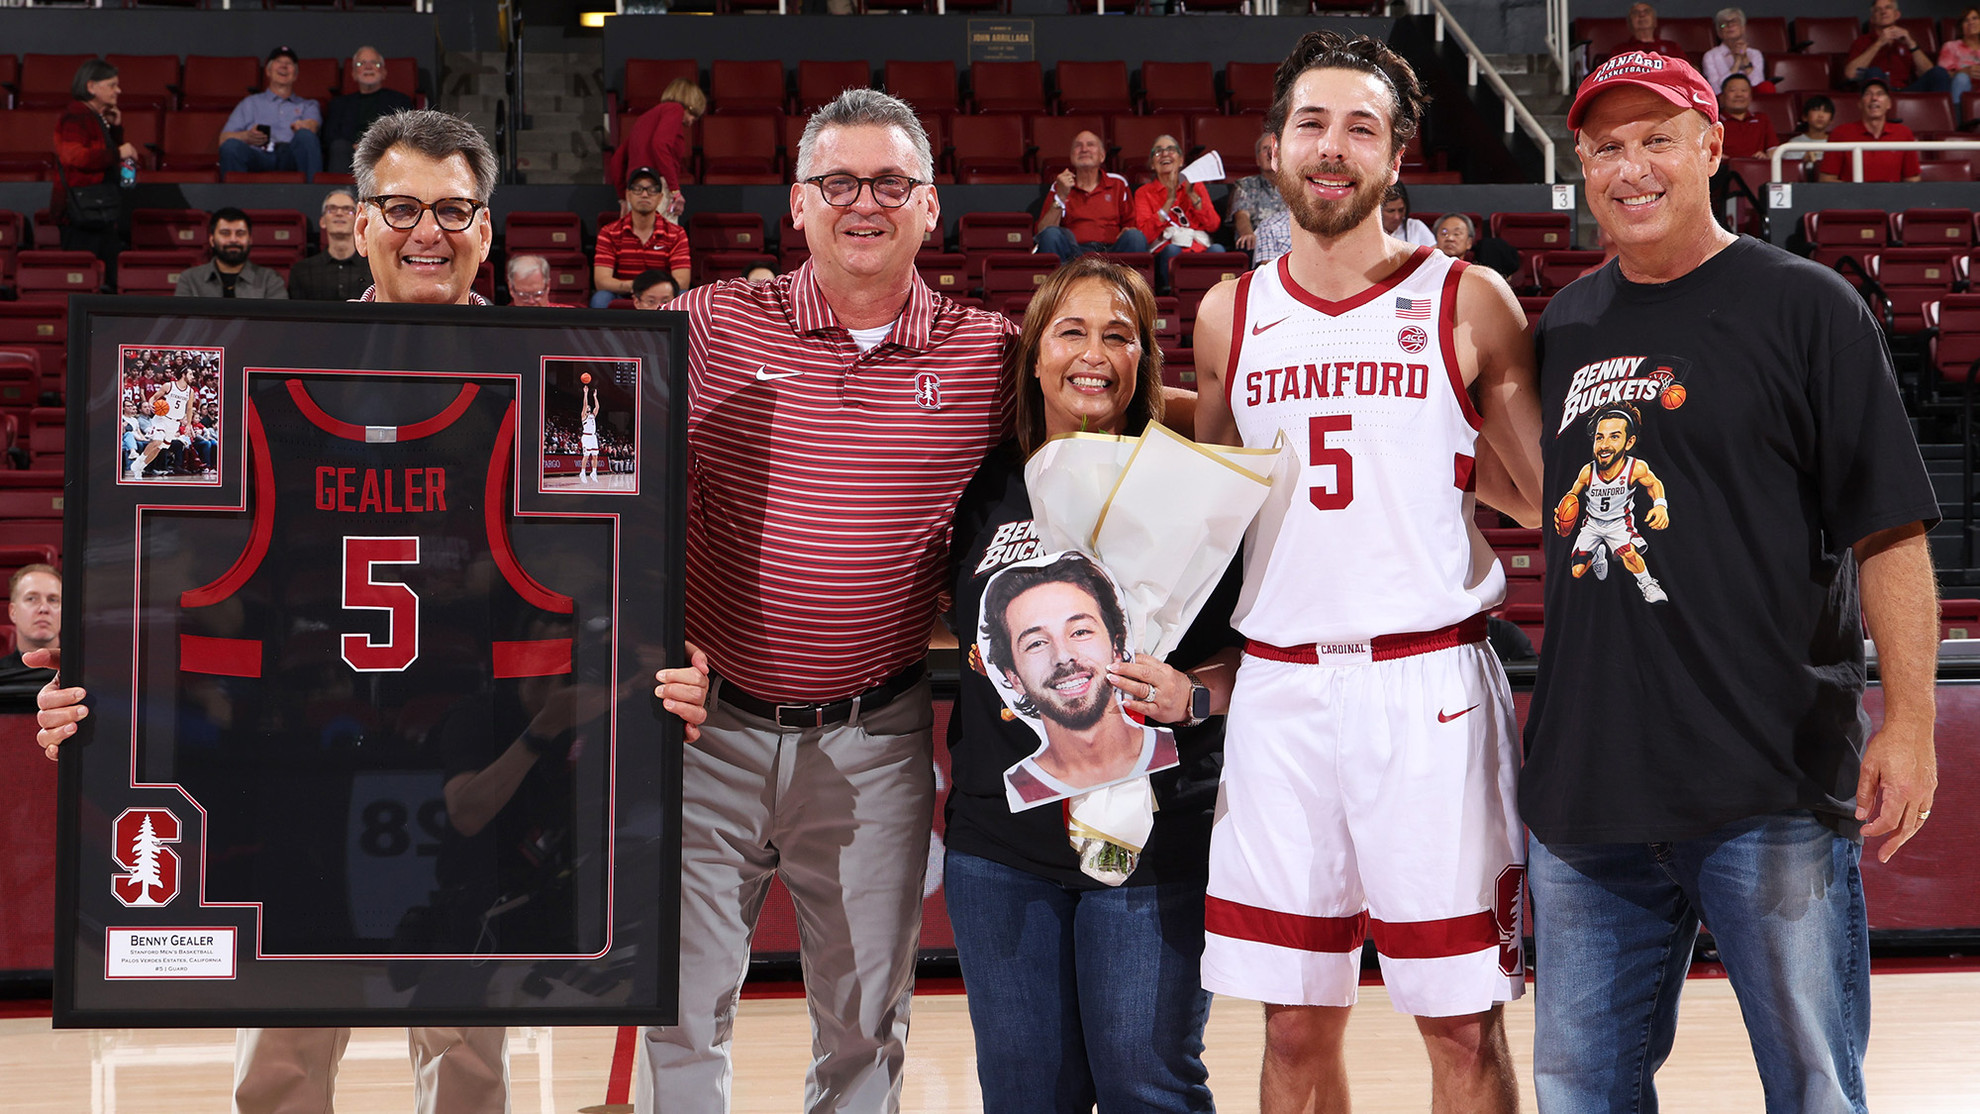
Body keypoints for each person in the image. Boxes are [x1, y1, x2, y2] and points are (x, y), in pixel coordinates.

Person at [32, 108, 532, 1114]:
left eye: (452, 208)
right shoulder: (248, 358)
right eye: (400, 207)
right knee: (286, 1056)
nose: (426, 230)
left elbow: (612, 577)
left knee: (473, 1058)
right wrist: (86, 691)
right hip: (297, 755)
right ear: (352, 222)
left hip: (469, 757)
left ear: (487, 228)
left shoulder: (548, 378)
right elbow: (135, 554)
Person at [1526, 50, 1941, 1113]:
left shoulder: (1807, 306)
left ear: (1713, 146)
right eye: (1606, 146)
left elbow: (1889, 533)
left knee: (1811, 1084)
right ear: (1580, 163)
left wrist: (1911, 724)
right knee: (1579, 1090)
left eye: (1658, 138)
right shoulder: (1564, 326)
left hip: (1767, 781)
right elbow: (1533, 493)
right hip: (1586, 795)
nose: (1632, 168)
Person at [634, 87, 1015, 1114]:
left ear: (931, 207)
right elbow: (587, 479)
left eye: (891, 181)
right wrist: (644, 636)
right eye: (839, 181)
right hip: (705, 732)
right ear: (797, 204)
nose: (865, 202)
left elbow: (1119, 398)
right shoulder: (704, 324)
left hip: (873, 730)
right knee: (680, 1006)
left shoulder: (990, 355)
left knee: (866, 1019)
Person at [1191, 30, 1544, 1114]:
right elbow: (1209, 510)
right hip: (1281, 689)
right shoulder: (1226, 313)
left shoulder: (1468, 297)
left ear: (1399, 157)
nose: (1333, 148)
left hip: (1426, 684)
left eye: (1361, 128)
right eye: (1312, 123)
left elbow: (1538, 499)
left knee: (1457, 1020)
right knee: (1293, 1022)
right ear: (1272, 148)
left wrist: (1438, 438)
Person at [945, 255, 1240, 1113]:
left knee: (1148, 1085)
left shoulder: (1193, 484)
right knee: (1026, 1093)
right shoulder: (987, 478)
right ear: (1033, 352)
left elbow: (1244, 654)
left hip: (1157, 839)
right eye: (1071, 330)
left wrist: (1193, 696)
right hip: (1003, 844)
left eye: (1120, 335)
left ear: (1146, 358)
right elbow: (945, 611)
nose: (1095, 354)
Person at [984, 553, 1182, 805]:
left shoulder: (1165, 750)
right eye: (1036, 643)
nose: (1063, 656)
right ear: (1014, 677)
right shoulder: (1018, 786)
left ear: (1117, 645)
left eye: (1080, 631)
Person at [52, 59, 140, 276]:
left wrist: (115, 131)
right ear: (91, 87)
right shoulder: (76, 115)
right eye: (111, 85)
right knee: (84, 281)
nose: (118, 90)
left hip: (99, 213)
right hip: (81, 216)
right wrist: (119, 152)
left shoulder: (95, 117)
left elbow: (107, 161)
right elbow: (77, 157)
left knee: (108, 279)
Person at [1034, 130, 1147, 263]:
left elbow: (1131, 226)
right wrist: (1061, 196)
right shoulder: (1060, 185)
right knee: (1051, 234)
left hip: (1111, 253)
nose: (1084, 149)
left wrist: (1128, 231)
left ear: (1102, 156)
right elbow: (1043, 231)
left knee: (1135, 236)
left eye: (1090, 145)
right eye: (1078, 145)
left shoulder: (1118, 183)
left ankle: (1132, 284)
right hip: (1073, 255)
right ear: (1071, 157)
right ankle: (1059, 283)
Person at [1132, 134, 1224, 293]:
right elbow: (1144, 235)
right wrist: (1169, 200)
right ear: (1152, 165)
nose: (1165, 154)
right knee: (1172, 251)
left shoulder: (1196, 187)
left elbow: (1213, 225)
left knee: (1218, 250)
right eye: (1158, 151)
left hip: (1198, 249)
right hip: (1166, 251)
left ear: (1181, 161)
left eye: (1171, 150)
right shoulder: (1144, 192)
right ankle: (1171, 297)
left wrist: (1192, 195)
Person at [219, 46, 323, 182]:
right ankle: (233, 201)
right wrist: (246, 136)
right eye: (279, 61)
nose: (284, 66)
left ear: (296, 75)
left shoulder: (308, 105)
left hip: (290, 154)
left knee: (306, 136)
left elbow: (312, 126)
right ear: (268, 71)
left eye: (289, 64)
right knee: (230, 146)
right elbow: (223, 139)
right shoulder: (250, 103)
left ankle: (314, 198)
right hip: (258, 155)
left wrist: (304, 126)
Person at [591, 167, 691, 309]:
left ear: (660, 197)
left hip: (661, 294)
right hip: (625, 293)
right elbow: (602, 281)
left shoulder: (676, 233)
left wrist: (653, 292)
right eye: (637, 189)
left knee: (683, 295)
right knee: (600, 298)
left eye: (652, 190)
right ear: (628, 195)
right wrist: (641, 287)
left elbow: (682, 281)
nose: (644, 194)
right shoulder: (609, 232)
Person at [323, 46, 413, 175]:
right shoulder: (339, 104)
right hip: (349, 152)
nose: (368, 67)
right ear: (353, 73)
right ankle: (340, 193)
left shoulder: (400, 101)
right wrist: (356, 146)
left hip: (383, 151)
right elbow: (330, 135)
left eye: (374, 63)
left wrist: (370, 145)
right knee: (338, 147)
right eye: (361, 63)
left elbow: (404, 134)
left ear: (384, 72)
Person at [608, 77, 706, 195]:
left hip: (635, 190)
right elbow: (660, 145)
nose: (692, 122)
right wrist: (674, 189)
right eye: (694, 115)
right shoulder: (675, 109)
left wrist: (622, 197)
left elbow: (617, 159)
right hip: (656, 187)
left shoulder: (644, 119)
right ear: (690, 104)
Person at [1817, 79, 1923, 182]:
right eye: (1868, 94)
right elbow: (1827, 179)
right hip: (1852, 199)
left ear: (1889, 104)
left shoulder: (1903, 133)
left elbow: (1912, 179)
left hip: (1891, 198)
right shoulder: (1840, 133)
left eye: (1880, 94)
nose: (1874, 98)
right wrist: (1860, 193)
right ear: (1860, 103)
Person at [175, 208, 288, 299]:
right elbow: (184, 324)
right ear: (212, 240)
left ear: (250, 240)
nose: (233, 240)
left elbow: (277, 325)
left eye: (240, 233)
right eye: (225, 233)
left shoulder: (269, 280)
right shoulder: (190, 279)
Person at [1845, 0, 1952, 93]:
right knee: (1875, 71)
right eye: (1878, 9)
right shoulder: (1862, 41)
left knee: (1939, 72)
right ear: (1872, 19)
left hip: (1905, 91)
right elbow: (1850, 74)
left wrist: (1911, 44)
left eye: (1888, 8)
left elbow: (1928, 72)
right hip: (1877, 94)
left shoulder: (1905, 42)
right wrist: (1878, 43)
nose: (1883, 12)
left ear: (1897, 14)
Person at [286, 189, 370, 301]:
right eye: (332, 209)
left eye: (347, 210)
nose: (339, 213)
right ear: (322, 222)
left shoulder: (372, 269)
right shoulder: (302, 271)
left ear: (357, 220)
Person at [0, 565, 59, 714]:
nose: (43, 608)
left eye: (53, 600)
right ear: (13, 612)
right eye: (31, 598)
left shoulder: (85, 674)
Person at [1229, 130, 1289, 259]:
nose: (1270, 153)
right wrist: (1247, 234)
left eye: (1274, 149)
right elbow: (1241, 215)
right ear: (1257, 160)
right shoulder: (1246, 184)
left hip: (1289, 241)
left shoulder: (1295, 185)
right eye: (1265, 149)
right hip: (1259, 243)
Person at [1702, 8, 1773, 94]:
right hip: (1725, 99)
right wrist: (1736, 63)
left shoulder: (1754, 54)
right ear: (1719, 33)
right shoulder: (1710, 56)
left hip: (1751, 97)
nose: (1730, 25)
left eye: (1734, 22)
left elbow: (1757, 84)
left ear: (1743, 28)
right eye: (1724, 24)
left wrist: (1744, 58)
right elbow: (1716, 89)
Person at [1433, 212, 1521, 277]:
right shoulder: (1428, 268)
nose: (1450, 238)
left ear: (1469, 242)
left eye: (1456, 234)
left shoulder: (1478, 271)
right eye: (1444, 234)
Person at [1599, 3, 1688, 67]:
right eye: (1635, 13)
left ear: (1655, 22)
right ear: (1629, 24)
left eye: (1647, 11)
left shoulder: (1672, 47)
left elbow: (1690, 70)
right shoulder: (1619, 51)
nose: (1642, 15)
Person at [1772, 92, 1835, 174]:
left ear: (1831, 120)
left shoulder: (1836, 142)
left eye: (1826, 111)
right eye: (1816, 110)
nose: (1821, 115)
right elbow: (1788, 172)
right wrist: (1804, 160)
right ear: (1804, 117)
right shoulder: (1793, 144)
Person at [1716, 74, 1776, 158]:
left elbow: (1773, 151)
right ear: (1721, 97)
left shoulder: (1762, 119)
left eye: (1744, 90)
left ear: (1751, 97)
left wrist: (1766, 158)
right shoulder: (1714, 122)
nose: (1739, 94)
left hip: (1757, 168)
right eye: (1732, 90)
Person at [1939, 7, 1980, 111]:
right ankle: (1958, 120)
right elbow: (1942, 75)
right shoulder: (1951, 46)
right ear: (1961, 27)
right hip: (1963, 89)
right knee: (1962, 77)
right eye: (1966, 20)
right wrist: (1964, 71)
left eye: (1975, 18)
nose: (1971, 22)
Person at [1381, 182, 1436, 247]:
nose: (1397, 217)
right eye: (1390, 211)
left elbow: (1435, 255)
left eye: (1401, 210)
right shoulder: (1369, 231)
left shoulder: (1416, 226)